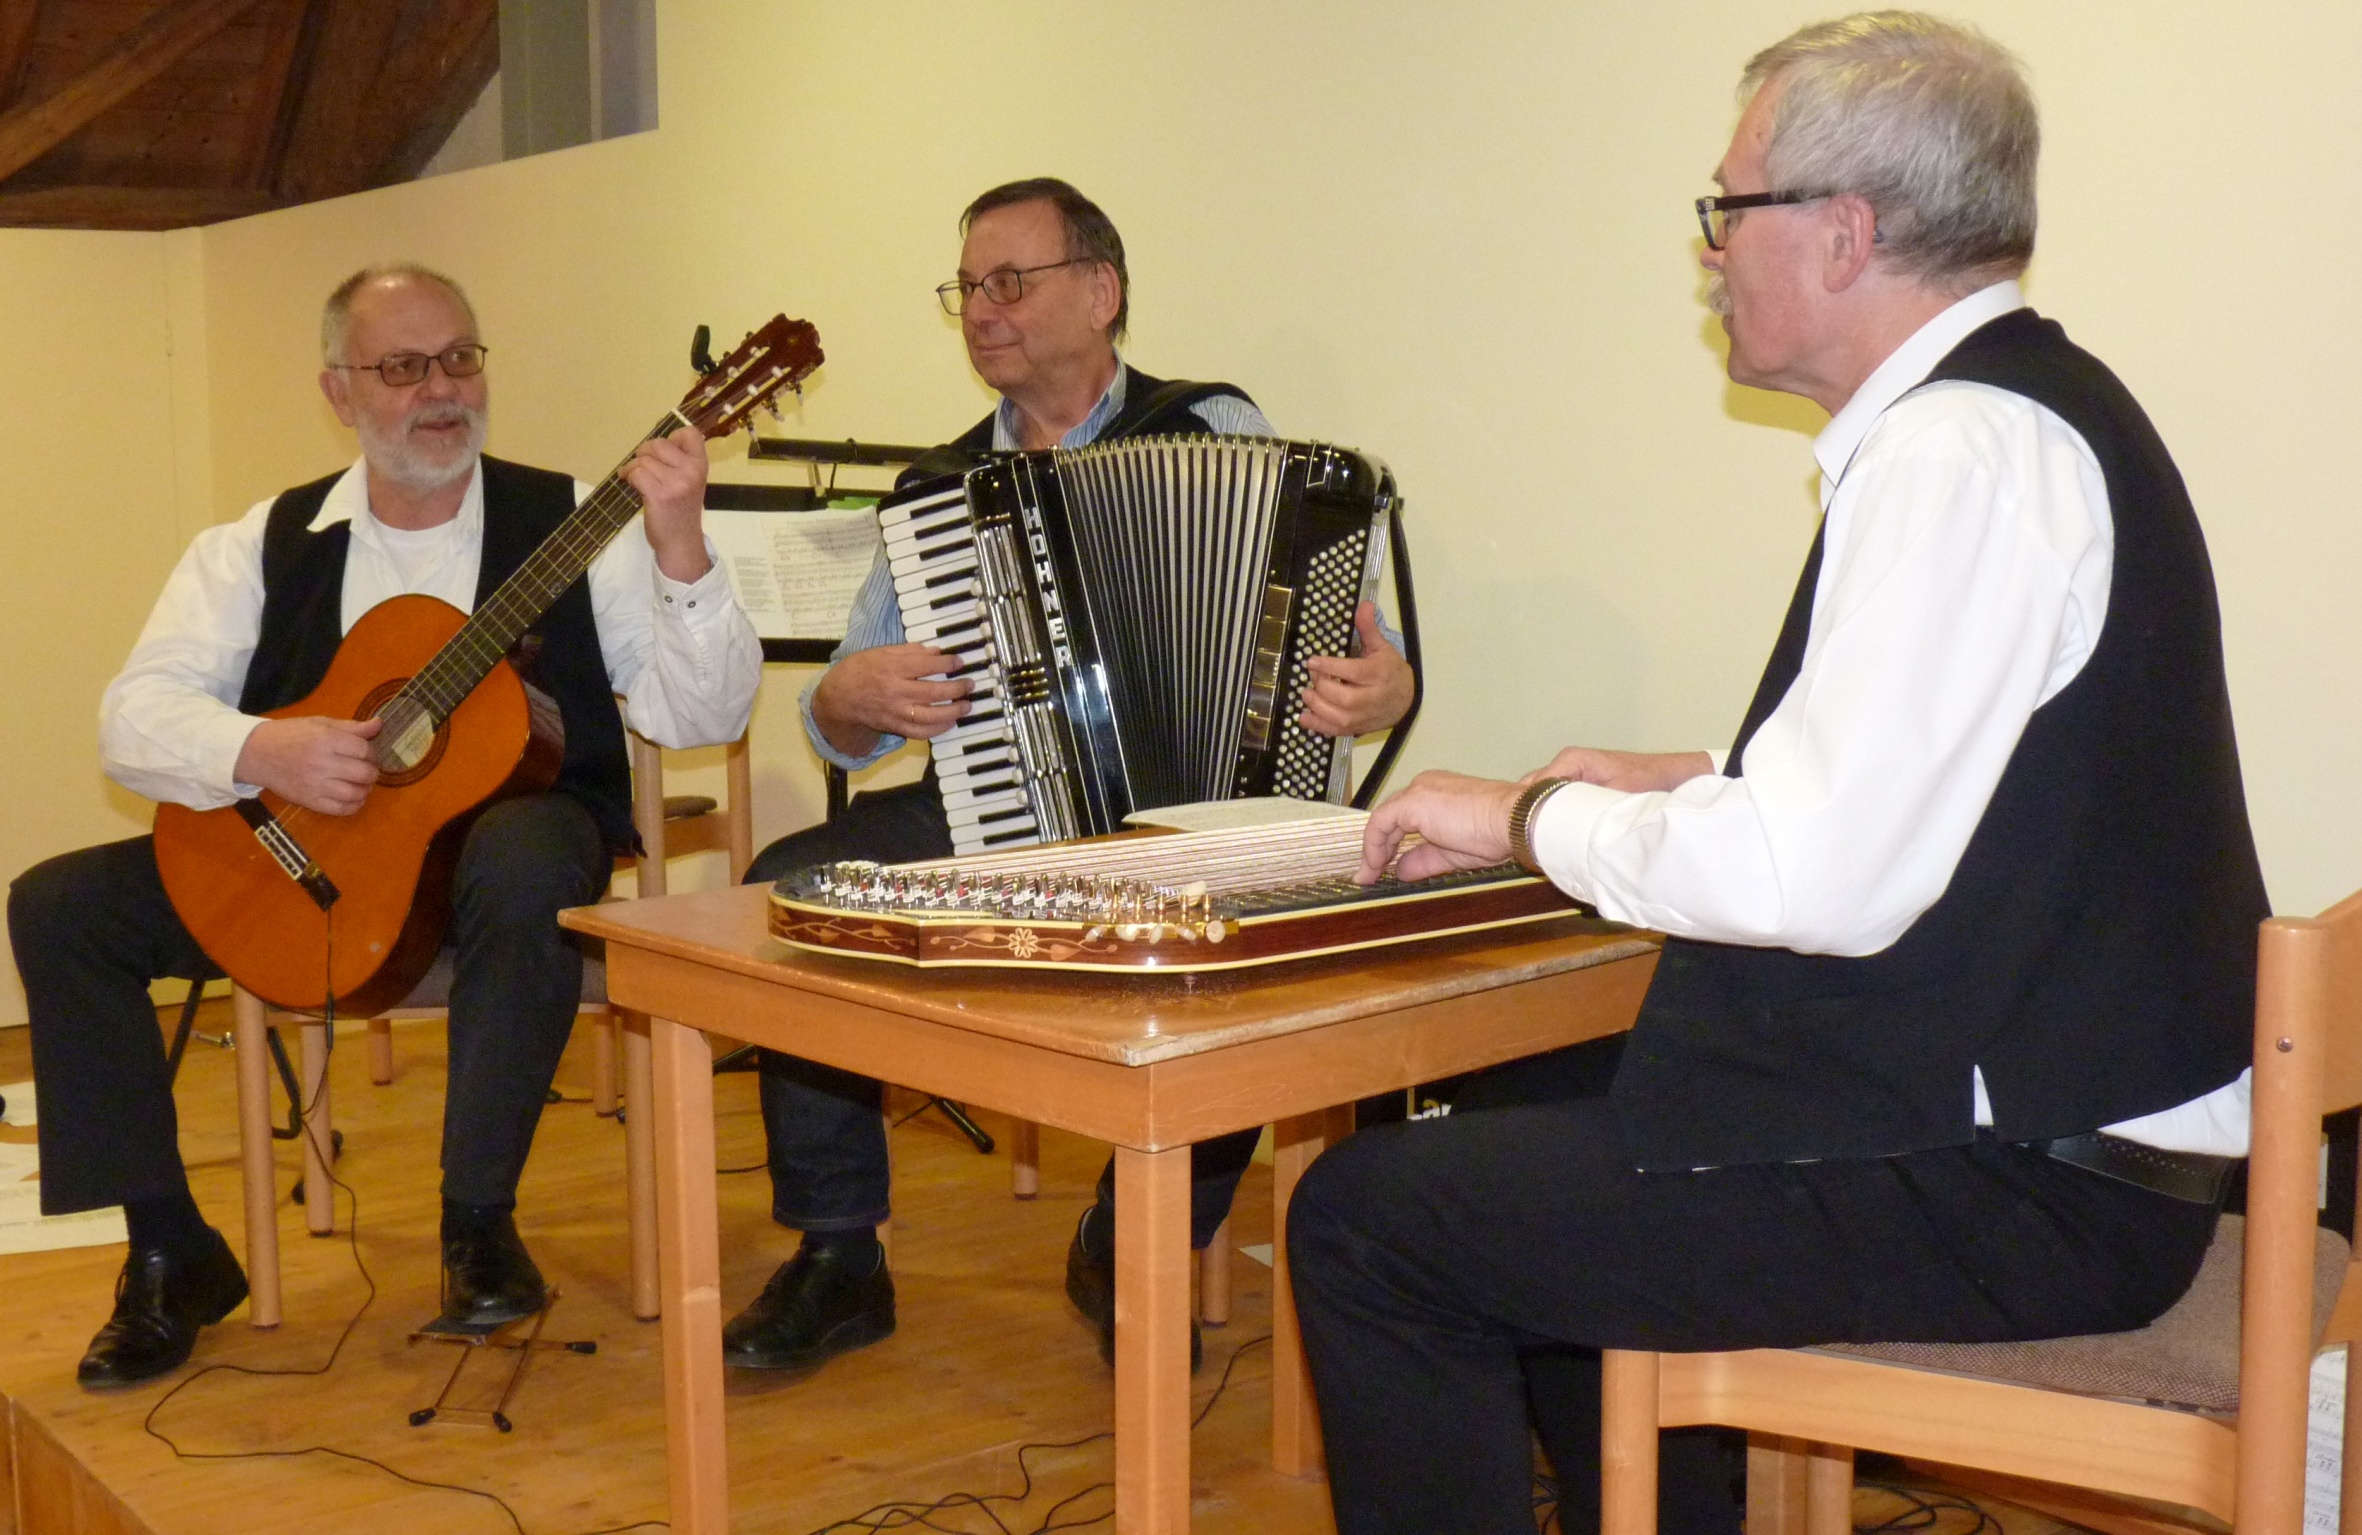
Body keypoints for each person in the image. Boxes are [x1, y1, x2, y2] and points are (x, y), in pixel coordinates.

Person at [1284, 15, 2267, 1535]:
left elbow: (1814, 878)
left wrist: (1522, 814)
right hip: (2066, 1122)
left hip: (2032, 1188)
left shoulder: (1952, 457)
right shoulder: (2016, 413)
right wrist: (1682, 779)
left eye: (1724, 207)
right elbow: (1941, 790)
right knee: (1529, 1081)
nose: (1706, 251)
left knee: (1366, 1221)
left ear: (1841, 232)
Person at [7, 263, 761, 1389]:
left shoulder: (569, 523)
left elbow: (699, 714)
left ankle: (477, 1225)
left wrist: (682, 546)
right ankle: (169, 1248)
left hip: (503, 890)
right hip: (319, 868)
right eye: (401, 367)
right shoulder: (262, 542)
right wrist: (267, 749)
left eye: (459, 357)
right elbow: (131, 717)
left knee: (527, 845)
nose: (439, 388)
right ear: (337, 388)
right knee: (59, 904)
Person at [719, 177, 1416, 1377]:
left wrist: (1384, 685)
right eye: (966, 289)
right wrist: (849, 698)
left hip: (1193, 814)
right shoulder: (934, 495)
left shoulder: (1209, 426)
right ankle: (840, 1255)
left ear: (1101, 293)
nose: (981, 311)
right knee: (796, 883)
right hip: (989, 807)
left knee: (1261, 922)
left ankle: (1133, 1236)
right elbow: (835, 714)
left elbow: (1354, 633)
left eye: (1008, 282)